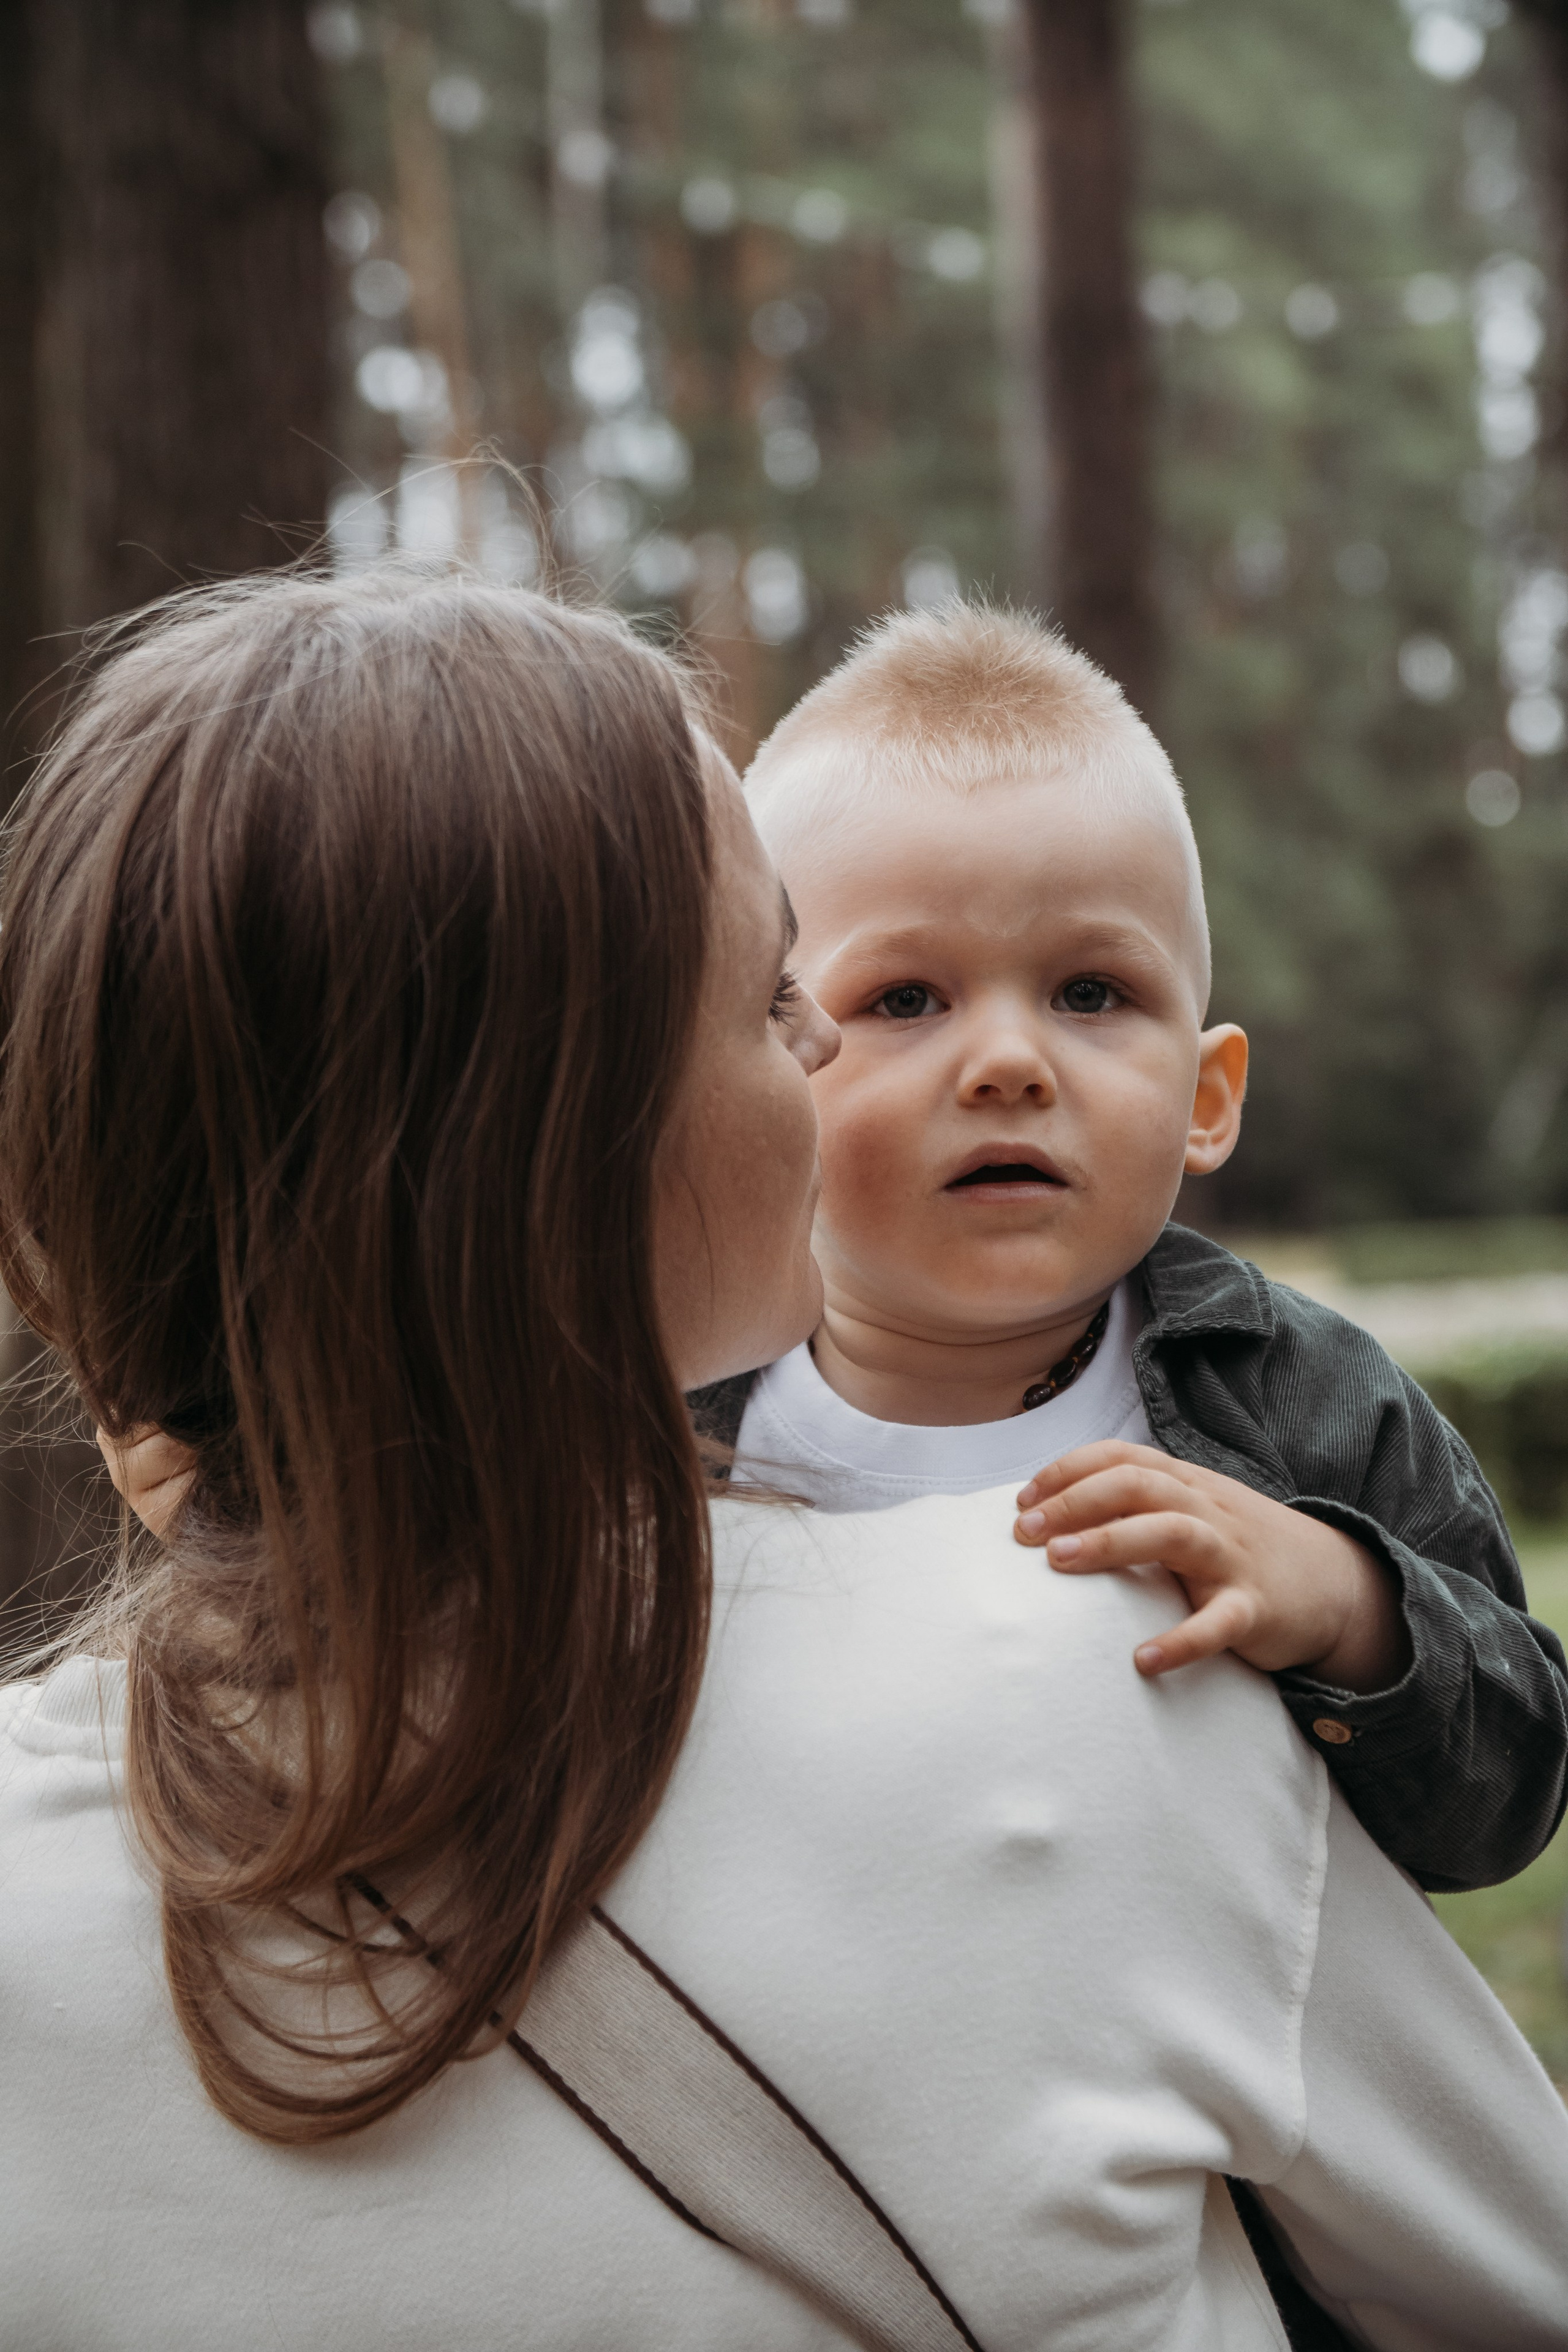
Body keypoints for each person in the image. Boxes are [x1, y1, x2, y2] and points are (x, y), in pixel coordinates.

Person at [1, 568, 1566, 2352]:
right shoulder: (1106, 1697)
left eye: (1088, 993)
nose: (875, 1055)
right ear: (566, 1146)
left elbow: (1509, 1757)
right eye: (791, 1000)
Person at [693, 601, 1568, 1895]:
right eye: (904, 998)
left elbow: (1507, 1801)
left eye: (1090, 992)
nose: (1004, 1063)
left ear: (1206, 1097)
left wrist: (1349, 1608)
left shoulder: (1302, 1405)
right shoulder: (655, 1410)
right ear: (771, 1055)